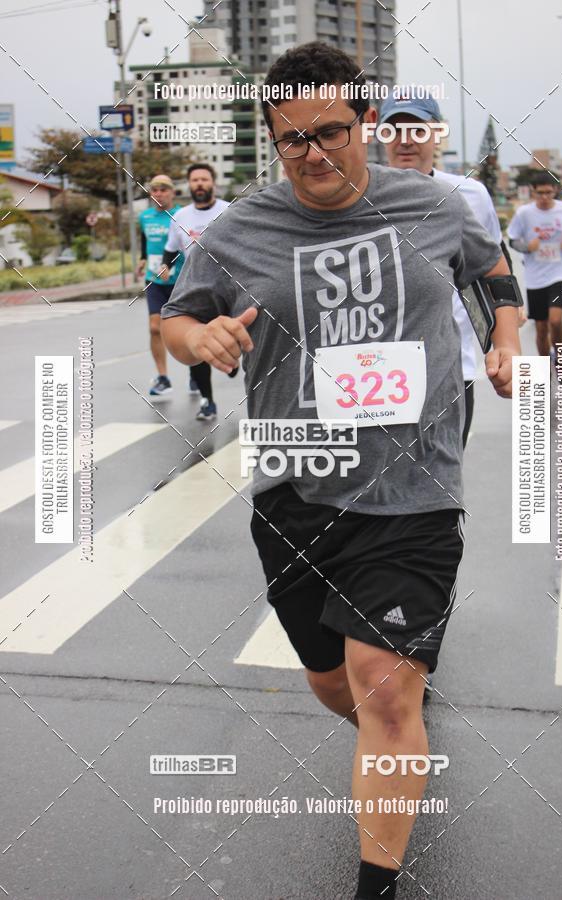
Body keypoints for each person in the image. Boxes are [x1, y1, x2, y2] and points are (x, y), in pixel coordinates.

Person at [161, 42, 520, 900]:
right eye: (294, 138)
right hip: (296, 485)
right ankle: (390, 734)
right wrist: (200, 339)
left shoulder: (435, 205)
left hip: (414, 490)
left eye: (331, 131)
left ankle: (377, 880)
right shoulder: (238, 230)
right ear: (273, 141)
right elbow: (179, 317)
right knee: (336, 684)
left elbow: (491, 273)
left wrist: (505, 339)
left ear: (366, 123)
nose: (314, 152)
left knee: (384, 693)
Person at [378, 92, 507, 448]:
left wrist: (503, 337)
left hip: (451, 368)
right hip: (377, 372)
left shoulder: (471, 194)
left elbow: (491, 266)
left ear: (436, 134)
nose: (405, 141)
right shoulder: (357, 196)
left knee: (446, 472)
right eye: (394, 131)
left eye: (417, 130)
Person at [161, 163, 231, 420]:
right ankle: (207, 401)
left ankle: (232, 361)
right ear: (189, 185)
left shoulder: (229, 211)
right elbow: (171, 248)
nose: (199, 184)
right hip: (196, 288)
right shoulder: (180, 217)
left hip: (229, 284)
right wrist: (165, 266)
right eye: (195, 180)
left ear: (213, 183)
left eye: (204, 179)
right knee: (199, 341)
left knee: (237, 336)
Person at [507, 171, 562, 358]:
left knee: (555, 320)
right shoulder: (524, 213)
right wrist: (527, 247)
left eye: (548, 192)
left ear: (555, 190)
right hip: (536, 277)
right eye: (540, 193)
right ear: (533, 191)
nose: (545, 197)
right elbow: (512, 240)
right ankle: (544, 365)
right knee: (541, 327)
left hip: (561, 272)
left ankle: (560, 359)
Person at [136, 174, 184, 400]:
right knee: (155, 328)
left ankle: (196, 372)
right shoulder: (145, 217)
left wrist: (170, 265)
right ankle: (163, 377)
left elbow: (187, 244)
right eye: (155, 190)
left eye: (164, 190)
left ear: (172, 192)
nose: (159, 194)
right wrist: (142, 258)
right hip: (153, 279)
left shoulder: (181, 215)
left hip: (180, 279)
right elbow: (145, 240)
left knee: (185, 328)